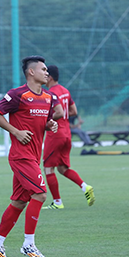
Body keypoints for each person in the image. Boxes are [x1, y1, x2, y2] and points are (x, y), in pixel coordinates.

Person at [0, 56, 62, 257]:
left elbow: (43, 121)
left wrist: (50, 125)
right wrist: (16, 132)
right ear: (31, 72)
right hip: (21, 157)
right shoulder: (17, 94)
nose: (47, 73)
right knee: (40, 195)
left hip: (34, 157)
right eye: (43, 69)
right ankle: (28, 244)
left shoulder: (47, 97)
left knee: (19, 201)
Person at [42, 65, 95, 209]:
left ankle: (57, 202)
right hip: (67, 134)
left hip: (55, 134)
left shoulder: (50, 93)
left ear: (50, 77)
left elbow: (58, 113)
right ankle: (85, 187)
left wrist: (45, 118)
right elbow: (74, 111)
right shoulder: (65, 90)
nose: (44, 76)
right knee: (62, 168)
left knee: (48, 168)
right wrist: (64, 115)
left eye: (46, 74)